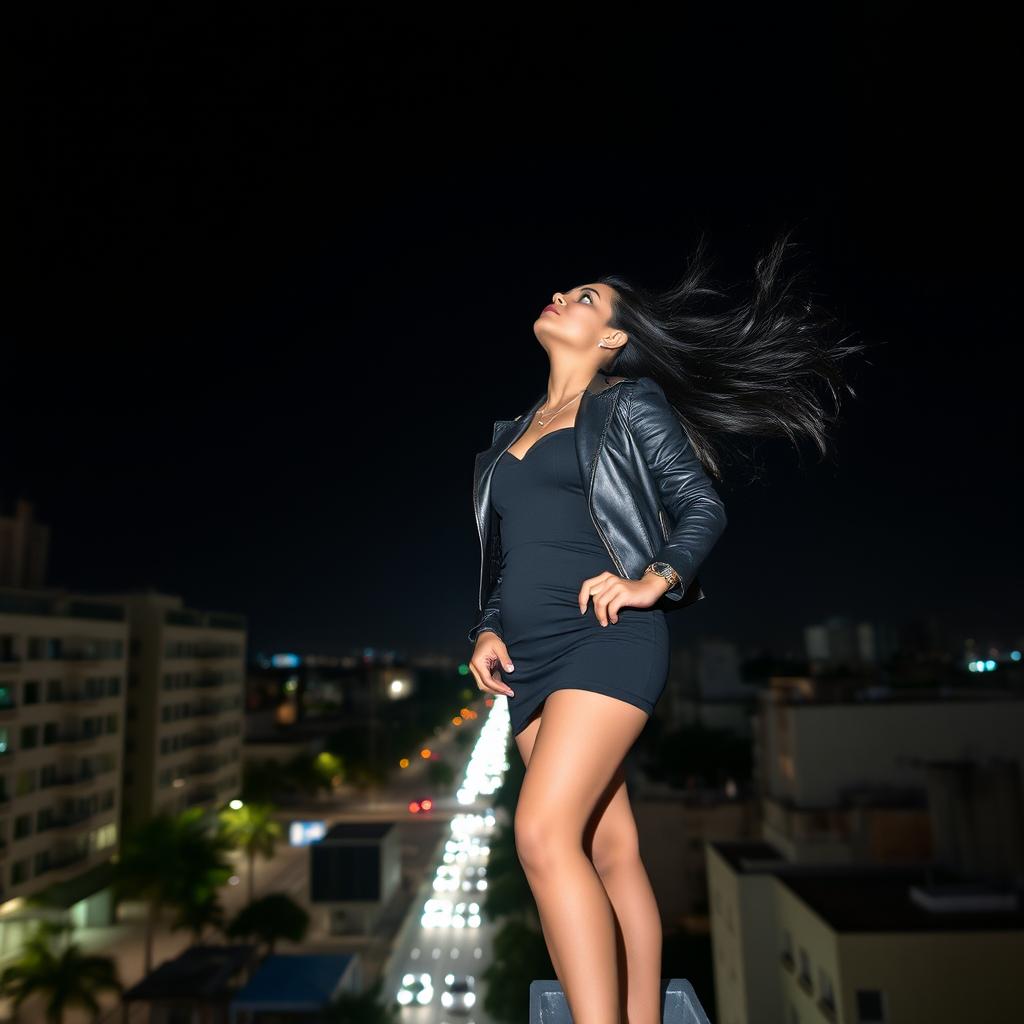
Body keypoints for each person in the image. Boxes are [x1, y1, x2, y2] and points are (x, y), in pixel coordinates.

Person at [467, 230, 864, 1024]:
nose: (564, 296)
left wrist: (656, 579)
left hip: (605, 640)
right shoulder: (499, 443)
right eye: (568, 289)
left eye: (587, 299)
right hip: (528, 660)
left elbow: (700, 504)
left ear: (611, 337)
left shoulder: (626, 403)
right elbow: (503, 561)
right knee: (605, 851)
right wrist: (484, 629)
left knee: (542, 837)